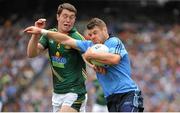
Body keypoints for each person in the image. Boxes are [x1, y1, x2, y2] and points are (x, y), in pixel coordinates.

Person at [24, 17, 144, 112]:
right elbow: (66, 40)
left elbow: (114, 59)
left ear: (104, 30)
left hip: (128, 93)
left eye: (95, 33)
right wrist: (42, 31)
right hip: (111, 98)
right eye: (90, 35)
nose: (92, 37)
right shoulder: (90, 46)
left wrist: (89, 55)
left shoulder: (114, 42)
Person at [26, 3, 87, 112]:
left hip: (75, 92)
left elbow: (89, 56)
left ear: (74, 20)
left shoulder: (77, 38)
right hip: (57, 93)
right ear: (58, 17)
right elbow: (31, 54)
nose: (68, 20)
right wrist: (36, 34)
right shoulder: (49, 35)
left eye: (71, 17)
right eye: (65, 16)